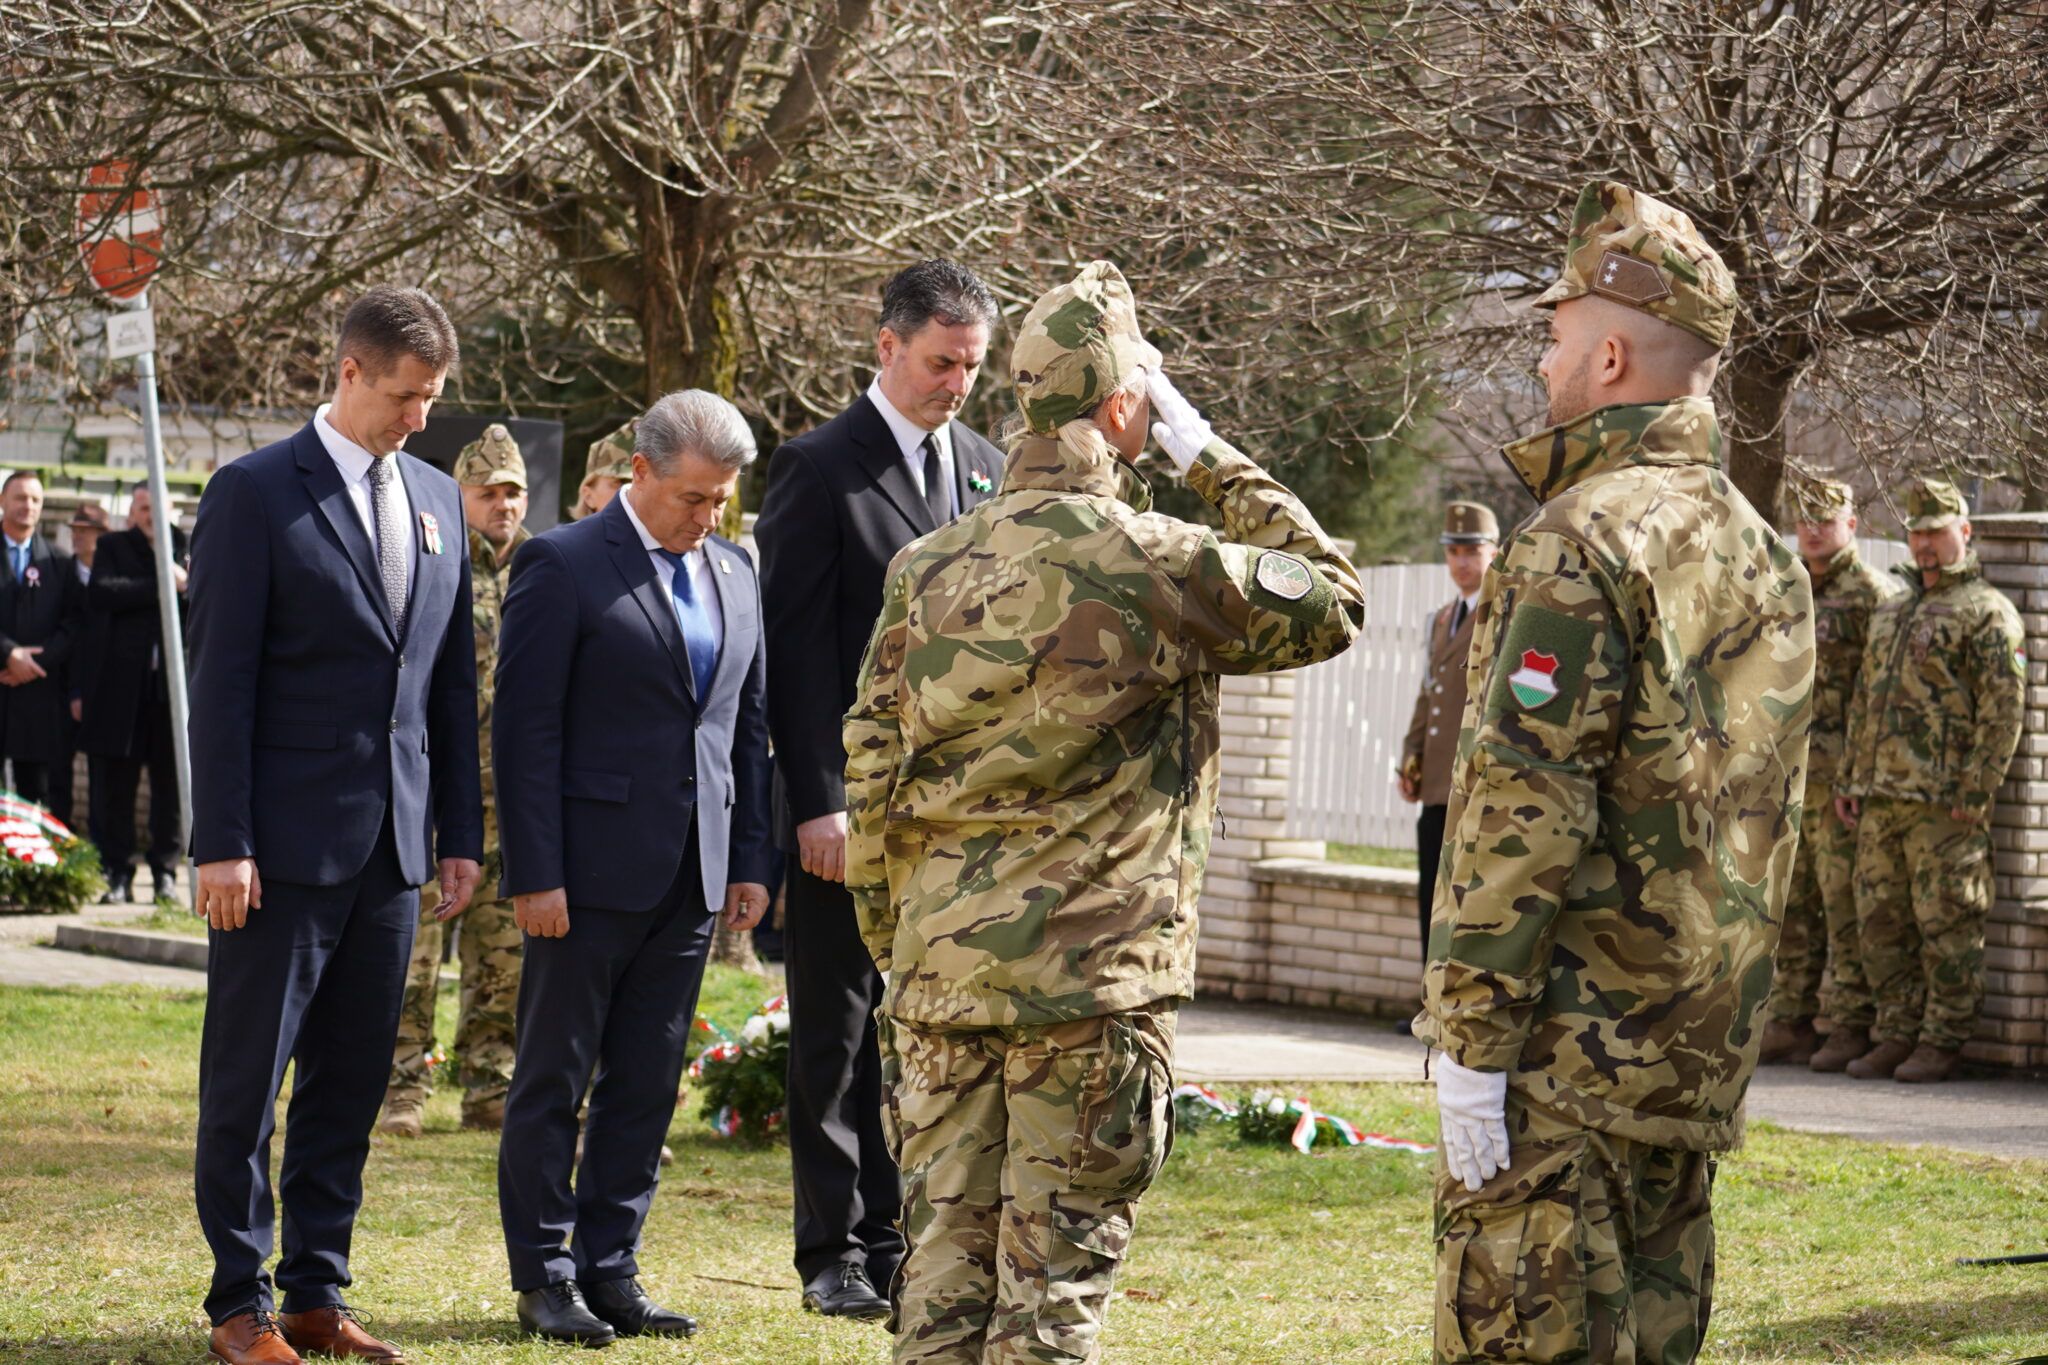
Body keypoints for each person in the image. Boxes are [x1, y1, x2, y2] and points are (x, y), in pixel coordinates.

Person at [847, 260, 1365, 1363]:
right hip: (1087, 991)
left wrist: (900, 943)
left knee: (938, 1283)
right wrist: (1203, 451)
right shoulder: (1152, 561)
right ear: (1123, 405)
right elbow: (1329, 597)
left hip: (943, 981)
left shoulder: (924, 566)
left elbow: (870, 766)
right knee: (1051, 1293)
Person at [1418, 182, 1814, 1363]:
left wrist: (1471, 1046)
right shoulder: (1764, 550)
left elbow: (1521, 809)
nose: (1540, 363)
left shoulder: (1576, 537)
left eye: (1549, 339)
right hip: (1684, 1057)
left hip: (1563, 1060)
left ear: (1603, 356)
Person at [185, 285, 483, 1365]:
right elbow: (219, 685)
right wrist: (222, 841)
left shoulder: (441, 504)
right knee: (248, 1084)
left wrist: (458, 831)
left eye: (433, 400)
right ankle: (239, 1305)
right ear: (349, 372)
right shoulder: (254, 493)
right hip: (273, 853)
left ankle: (316, 1293)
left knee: (350, 1082)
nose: (418, 418)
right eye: (404, 396)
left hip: (394, 853)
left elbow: (448, 686)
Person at [493, 389, 774, 1346]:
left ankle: (613, 1267)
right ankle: (545, 1273)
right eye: (695, 496)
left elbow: (745, 729)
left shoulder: (736, 571)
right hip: (584, 874)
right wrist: (536, 872)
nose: (710, 516)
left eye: (724, 499)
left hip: (692, 876)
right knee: (554, 1077)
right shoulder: (561, 563)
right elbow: (524, 731)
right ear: (642, 472)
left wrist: (747, 856)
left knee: (648, 1083)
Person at [755, 258, 1007, 1320]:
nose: (956, 383)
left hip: (955, 819)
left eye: (971, 367)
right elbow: (793, 654)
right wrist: (817, 803)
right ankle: (833, 1250)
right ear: (886, 347)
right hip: (850, 812)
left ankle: (903, 1237)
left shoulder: (990, 468)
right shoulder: (818, 470)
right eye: (940, 363)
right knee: (835, 1033)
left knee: (928, 1036)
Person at [1833, 477, 2025, 1084]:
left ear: (1963, 533)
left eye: (1936, 532)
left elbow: (2004, 708)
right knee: (1879, 921)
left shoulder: (1987, 613)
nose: (1924, 545)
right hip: (1881, 797)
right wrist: (1851, 780)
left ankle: (1942, 1040)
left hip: (1945, 805)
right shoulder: (1892, 609)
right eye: (1916, 533)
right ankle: (1896, 1032)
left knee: (1948, 924)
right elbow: (1864, 702)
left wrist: (1975, 793)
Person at [379, 425, 531, 1137]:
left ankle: (489, 1083)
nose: (502, 504)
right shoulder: (433, 560)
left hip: (517, 799)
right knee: (416, 954)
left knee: (503, 956)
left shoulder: (545, 564)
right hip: (441, 796)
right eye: (488, 491)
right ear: (461, 494)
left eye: (514, 491)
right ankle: (402, 1085)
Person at [1766, 476, 1904, 1070]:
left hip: (1841, 782)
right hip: (1784, 777)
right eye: (1806, 517)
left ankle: (1851, 1025)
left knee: (1845, 904)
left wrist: (1858, 776)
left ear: (1852, 523)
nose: (1815, 527)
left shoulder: (1875, 594)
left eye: (1828, 517)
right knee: (1791, 905)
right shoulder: (1782, 584)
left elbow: (1878, 698)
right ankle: (1791, 1018)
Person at [1397, 502, 1498, 992]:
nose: (1461, 562)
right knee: (1429, 895)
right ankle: (1427, 998)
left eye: (1471, 551)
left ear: (1494, 552)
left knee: (1462, 898)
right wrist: (1410, 757)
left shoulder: (1498, 614)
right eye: (1454, 551)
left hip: (1474, 783)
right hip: (1437, 781)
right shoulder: (1442, 619)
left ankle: (1451, 1001)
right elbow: (1429, 690)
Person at [81, 487, 187, 904]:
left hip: (171, 694)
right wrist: (165, 584)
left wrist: (185, 585)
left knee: (170, 790)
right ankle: (117, 874)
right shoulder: (112, 547)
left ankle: (164, 874)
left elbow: (203, 600)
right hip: (122, 693)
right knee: (117, 790)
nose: (151, 516)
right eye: (144, 508)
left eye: (158, 509)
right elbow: (105, 592)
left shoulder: (187, 546)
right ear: (131, 513)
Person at [1, 470, 82, 817]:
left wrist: (33, 665)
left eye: (35, 499)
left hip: (38, 695)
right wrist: (7, 654)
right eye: (20, 497)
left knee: (36, 797)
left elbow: (73, 623)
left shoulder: (60, 562)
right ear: (3, 501)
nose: (28, 506)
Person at [65, 500, 110, 853]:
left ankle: (98, 846)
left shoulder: (111, 576)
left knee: (103, 776)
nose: (79, 538)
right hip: (65, 686)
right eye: (75, 531)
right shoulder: (63, 573)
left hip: (103, 691)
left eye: (86, 531)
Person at [569, 422, 634, 521]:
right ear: (589, 497)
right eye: (620, 482)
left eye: (642, 483)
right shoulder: (564, 537)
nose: (633, 491)